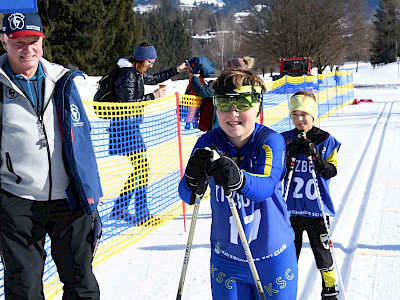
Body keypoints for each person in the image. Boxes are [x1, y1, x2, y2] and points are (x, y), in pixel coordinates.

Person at [0, 12, 102, 299]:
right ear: (4, 42)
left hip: (68, 200)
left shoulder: (63, 80)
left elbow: (82, 139)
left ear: (42, 42)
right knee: (24, 289)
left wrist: (91, 191)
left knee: (82, 283)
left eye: (33, 40)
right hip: (17, 202)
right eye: (18, 41)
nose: (27, 48)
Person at [179, 68, 298, 299]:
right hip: (227, 260)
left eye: (242, 103)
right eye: (223, 104)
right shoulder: (208, 142)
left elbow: (264, 187)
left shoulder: (270, 141)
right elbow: (188, 196)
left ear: (257, 107)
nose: (232, 113)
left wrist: (239, 178)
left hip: (272, 258)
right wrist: (193, 178)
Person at [109, 42, 188, 225]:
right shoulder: (127, 74)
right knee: (142, 168)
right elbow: (128, 104)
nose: (151, 65)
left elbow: (153, 78)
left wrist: (177, 69)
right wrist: (153, 96)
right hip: (124, 128)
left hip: (129, 127)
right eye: (150, 62)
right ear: (141, 60)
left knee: (140, 168)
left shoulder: (136, 72)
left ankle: (120, 207)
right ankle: (141, 213)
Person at [281, 90, 341, 300]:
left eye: (304, 114)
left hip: (317, 209)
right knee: (289, 254)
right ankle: (285, 289)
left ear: (313, 115)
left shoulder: (326, 140)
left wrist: (316, 156)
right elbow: (278, 174)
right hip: (291, 208)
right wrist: (289, 155)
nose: (299, 119)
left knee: (322, 252)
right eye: (294, 114)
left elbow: (330, 171)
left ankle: (330, 288)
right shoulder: (284, 140)